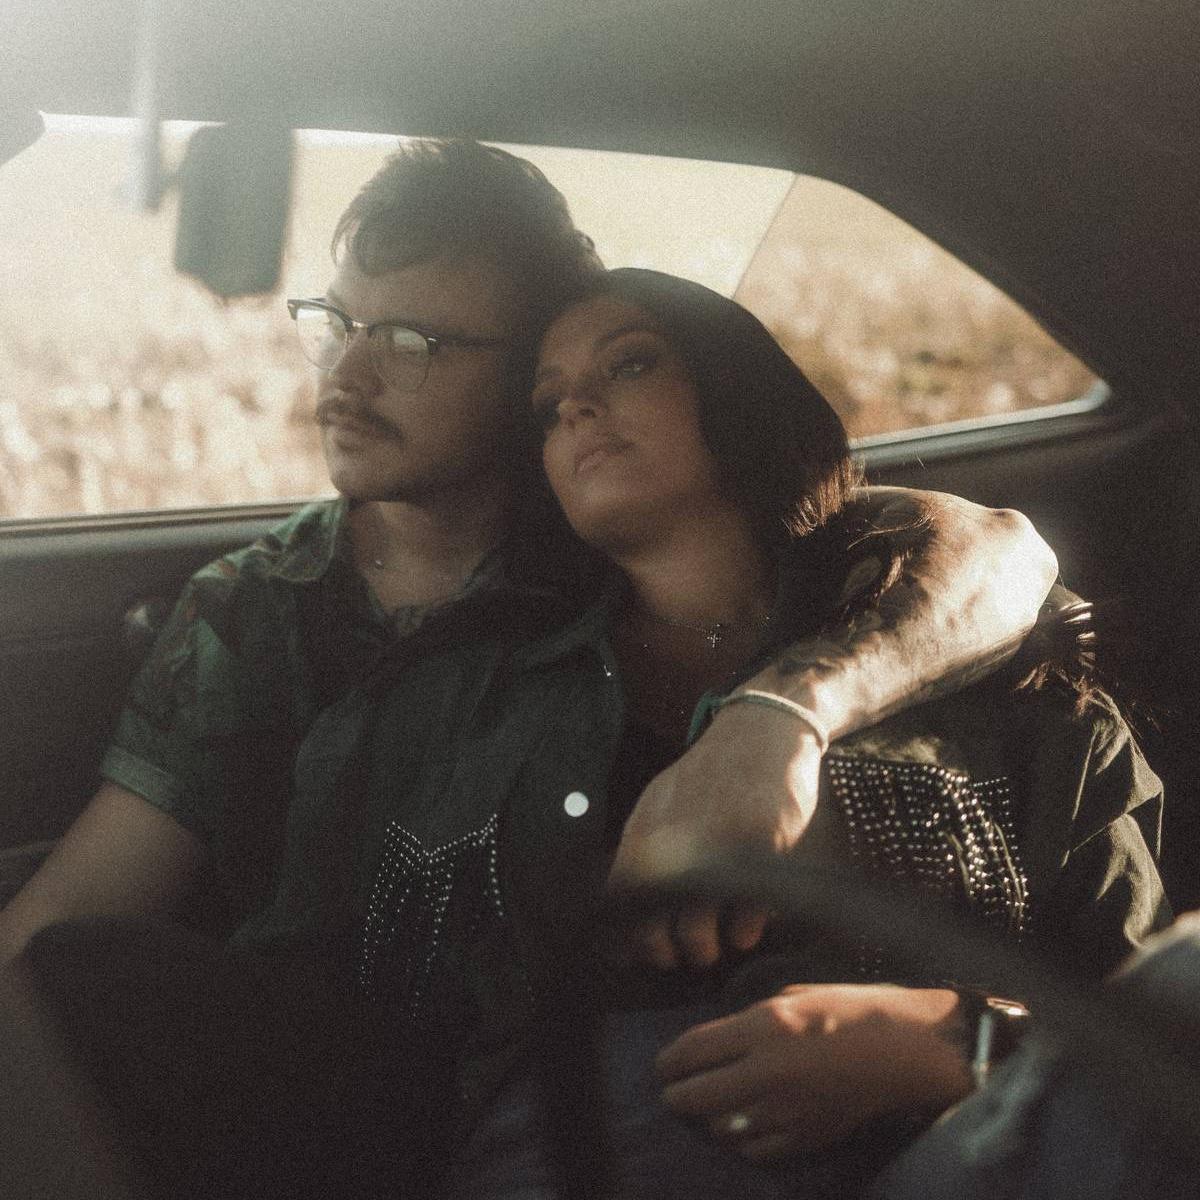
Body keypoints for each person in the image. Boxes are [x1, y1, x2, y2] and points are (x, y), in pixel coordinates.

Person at [0, 144, 1062, 1198]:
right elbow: (69, 927)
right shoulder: (256, 605)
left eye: (411, 341)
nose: (347, 375)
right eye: (337, 322)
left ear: (522, 380)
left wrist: (775, 721)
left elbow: (986, 554)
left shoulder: (637, 539)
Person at [440, 267, 1169, 1200]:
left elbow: (1148, 1031)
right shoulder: (471, 703)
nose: (576, 406)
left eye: (629, 364)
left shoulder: (1009, 685)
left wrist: (947, 1041)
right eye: (548, 406)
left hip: (959, 1152)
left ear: (736, 387)